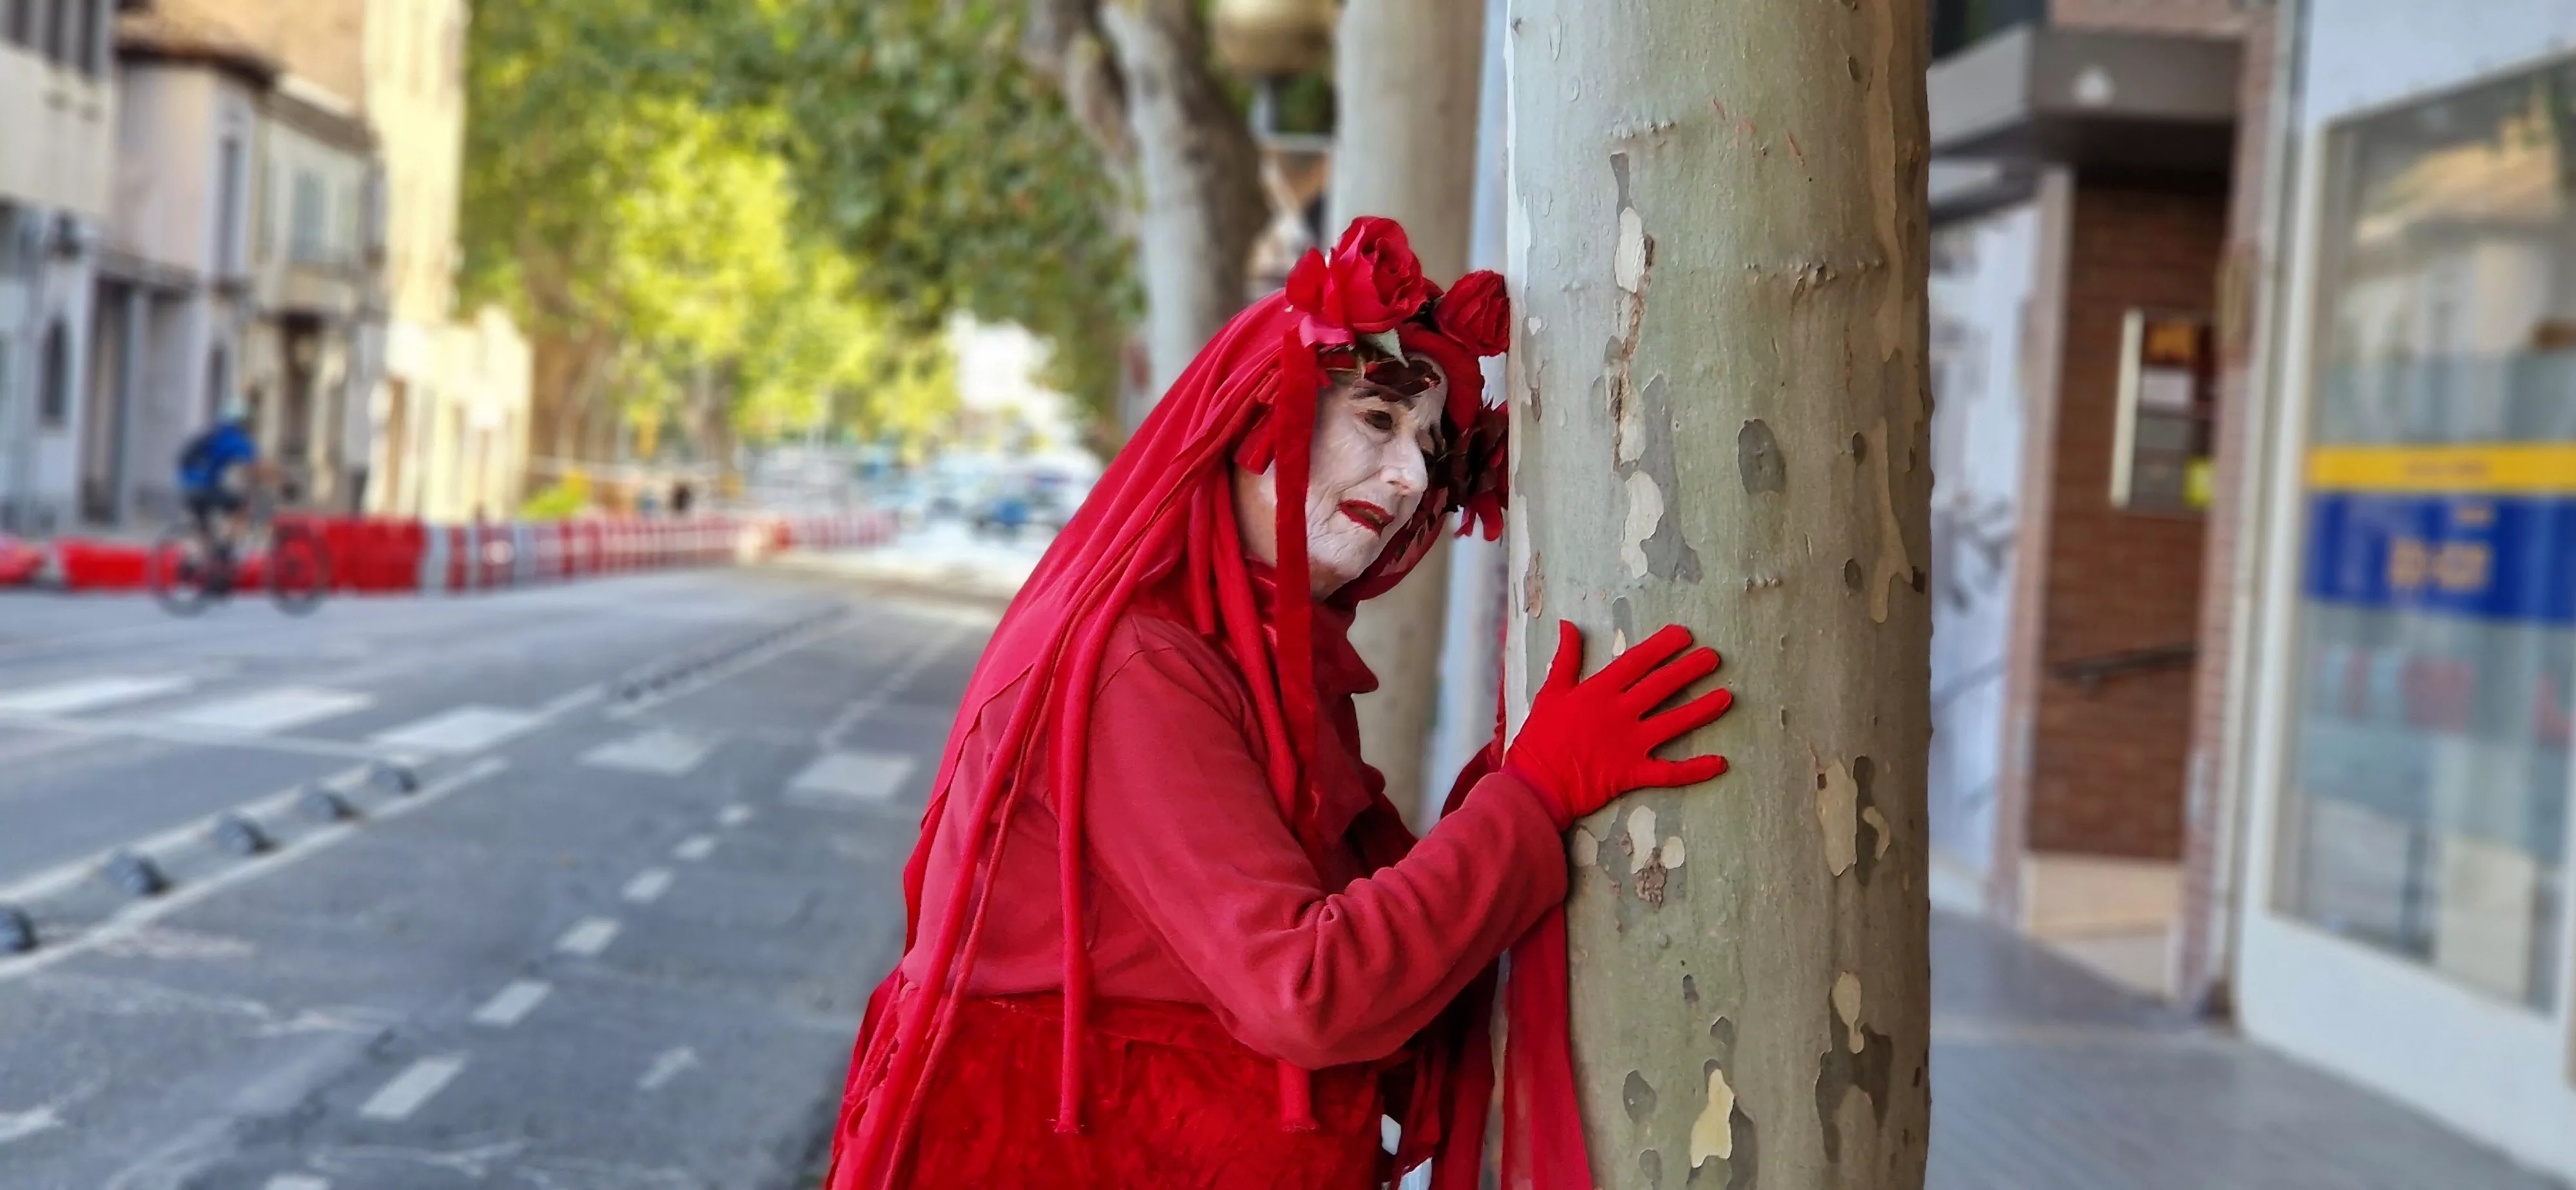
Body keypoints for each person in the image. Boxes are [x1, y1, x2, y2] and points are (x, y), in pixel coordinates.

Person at [823, 218, 1738, 1190]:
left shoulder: (1263, 653)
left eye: (1431, 446)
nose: (1411, 476)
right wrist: (1537, 799)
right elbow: (1307, 992)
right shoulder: (1141, 664)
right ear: (1257, 414)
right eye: (1378, 421)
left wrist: (1509, 795)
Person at [175, 406, 262, 563]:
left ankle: (204, 564)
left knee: (204, 525)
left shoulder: (214, 435)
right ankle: (226, 549)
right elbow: (255, 467)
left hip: (187, 488)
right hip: (204, 488)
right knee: (242, 505)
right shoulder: (235, 439)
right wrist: (282, 482)